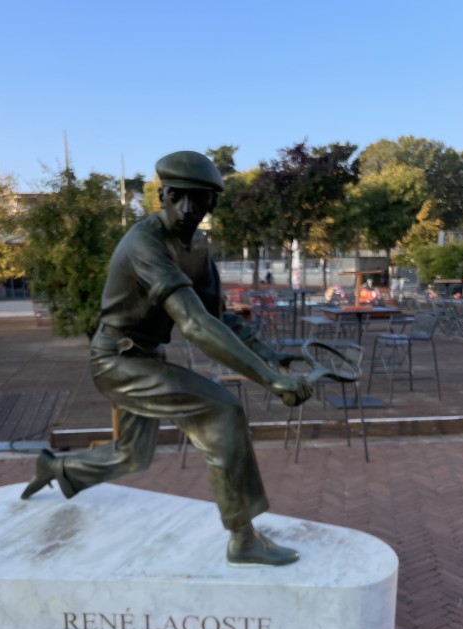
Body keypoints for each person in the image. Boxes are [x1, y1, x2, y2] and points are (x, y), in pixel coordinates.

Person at [21, 151, 313, 566]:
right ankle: (243, 538)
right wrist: (269, 380)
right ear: (163, 194)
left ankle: (58, 470)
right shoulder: (145, 243)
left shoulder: (196, 247)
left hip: (147, 358)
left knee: (132, 455)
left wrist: (269, 355)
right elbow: (193, 324)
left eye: (199, 199)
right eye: (177, 197)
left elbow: (217, 315)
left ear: (212, 203)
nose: (187, 209)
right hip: (116, 362)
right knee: (222, 410)